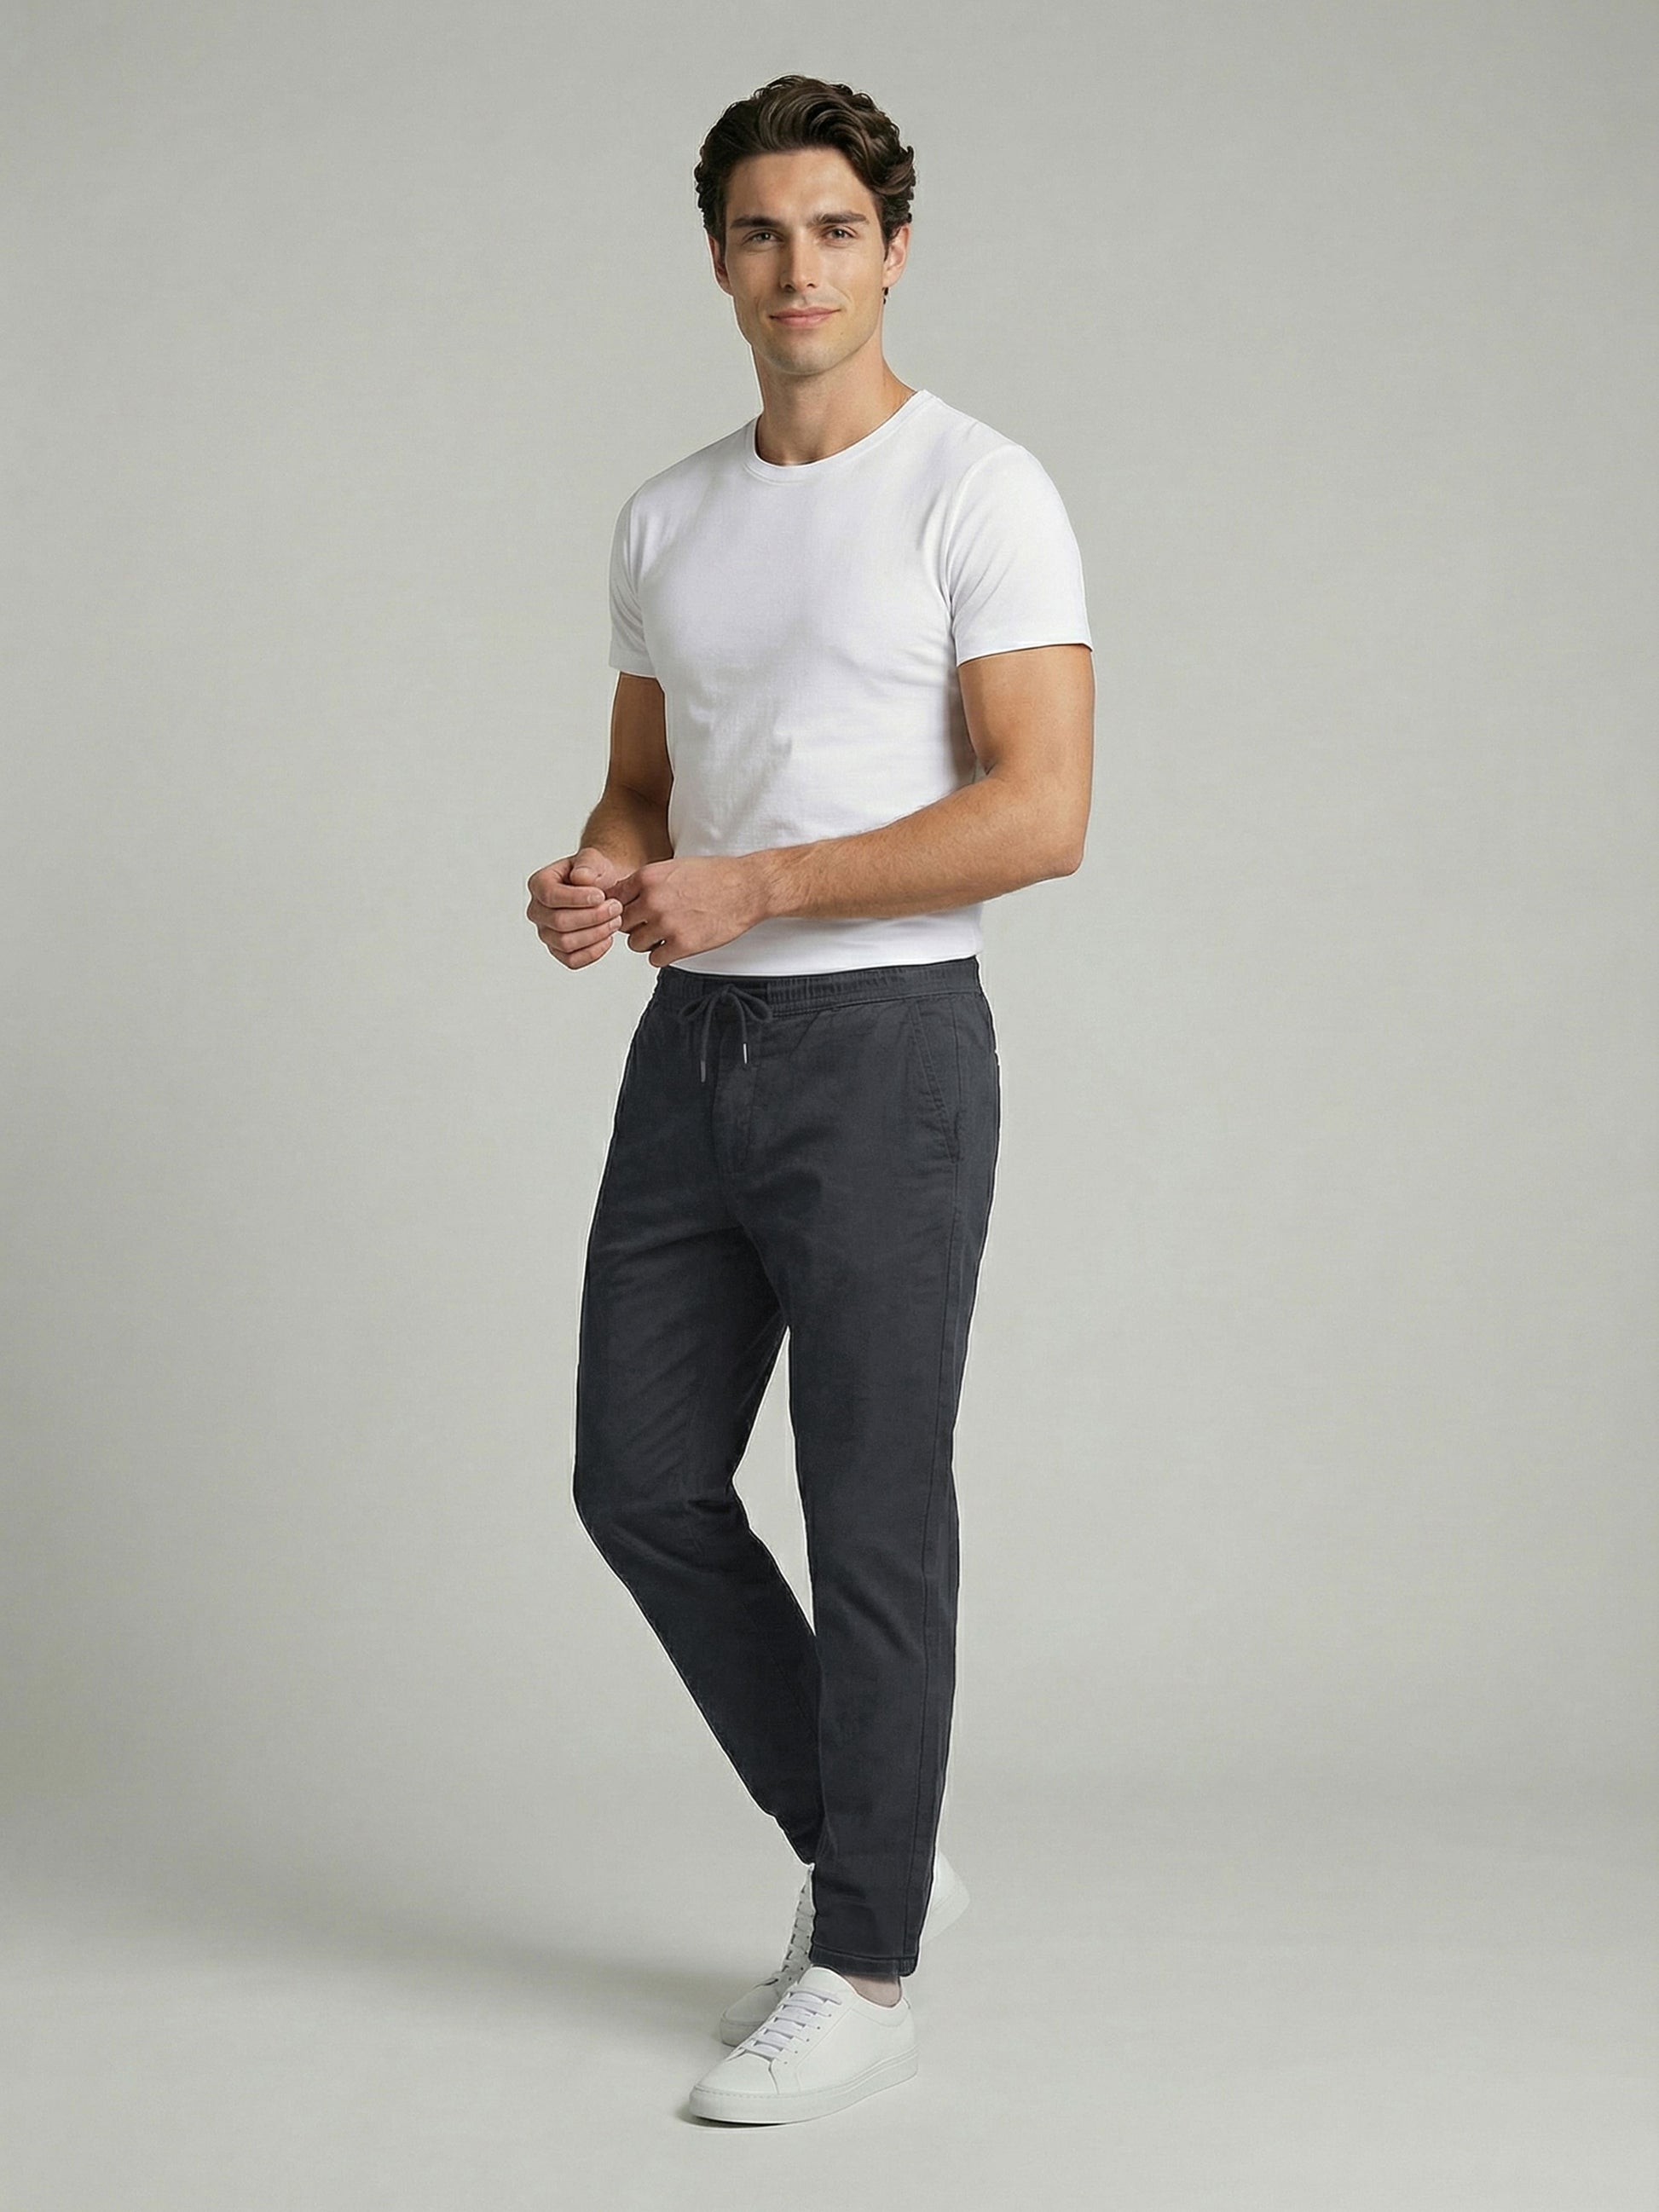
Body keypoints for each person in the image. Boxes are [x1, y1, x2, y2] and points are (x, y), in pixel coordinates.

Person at [526, 72, 1094, 2124]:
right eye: (762, 232)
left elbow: (1043, 812)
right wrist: (599, 871)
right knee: (638, 1478)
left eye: (836, 230)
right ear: (717, 259)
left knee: (870, 1508)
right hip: (693, 1051)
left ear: (894, 252)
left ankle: (864, 1959)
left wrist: (755, 886)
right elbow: (645, 787)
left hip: (886, 1051)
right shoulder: (667, 516)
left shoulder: (979, 491)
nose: (799, 268)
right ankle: (878, 1846)